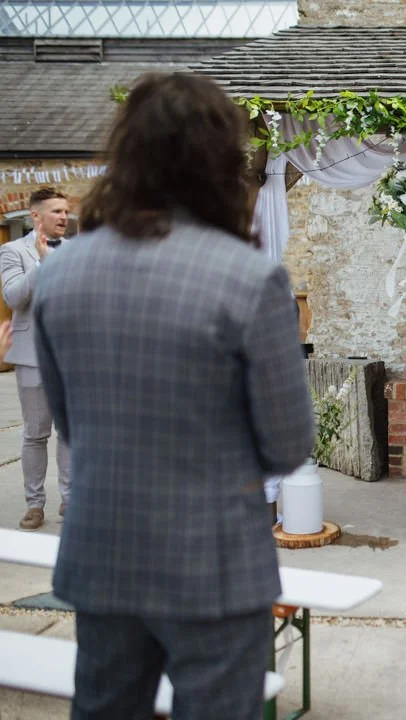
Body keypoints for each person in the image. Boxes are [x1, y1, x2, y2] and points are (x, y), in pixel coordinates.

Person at [32, 72, 314, 719]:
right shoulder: (250, 277)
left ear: (126, 155)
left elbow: (72, 424)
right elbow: (288, 442)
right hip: (212, 560)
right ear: (220, 161)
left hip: (103, 551)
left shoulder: (62, 273)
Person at [0, 186, 72, 531]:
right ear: (35, 216)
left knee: (69, 433)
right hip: (31, 356)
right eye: (56, 211)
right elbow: (13, 297)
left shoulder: (77, 251)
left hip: (71, 356)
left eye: (65, 211)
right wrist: (42, 264)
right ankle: (34, 504)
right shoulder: (11, 251)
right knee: (35, 433)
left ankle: (70, 500)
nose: (63, 217)